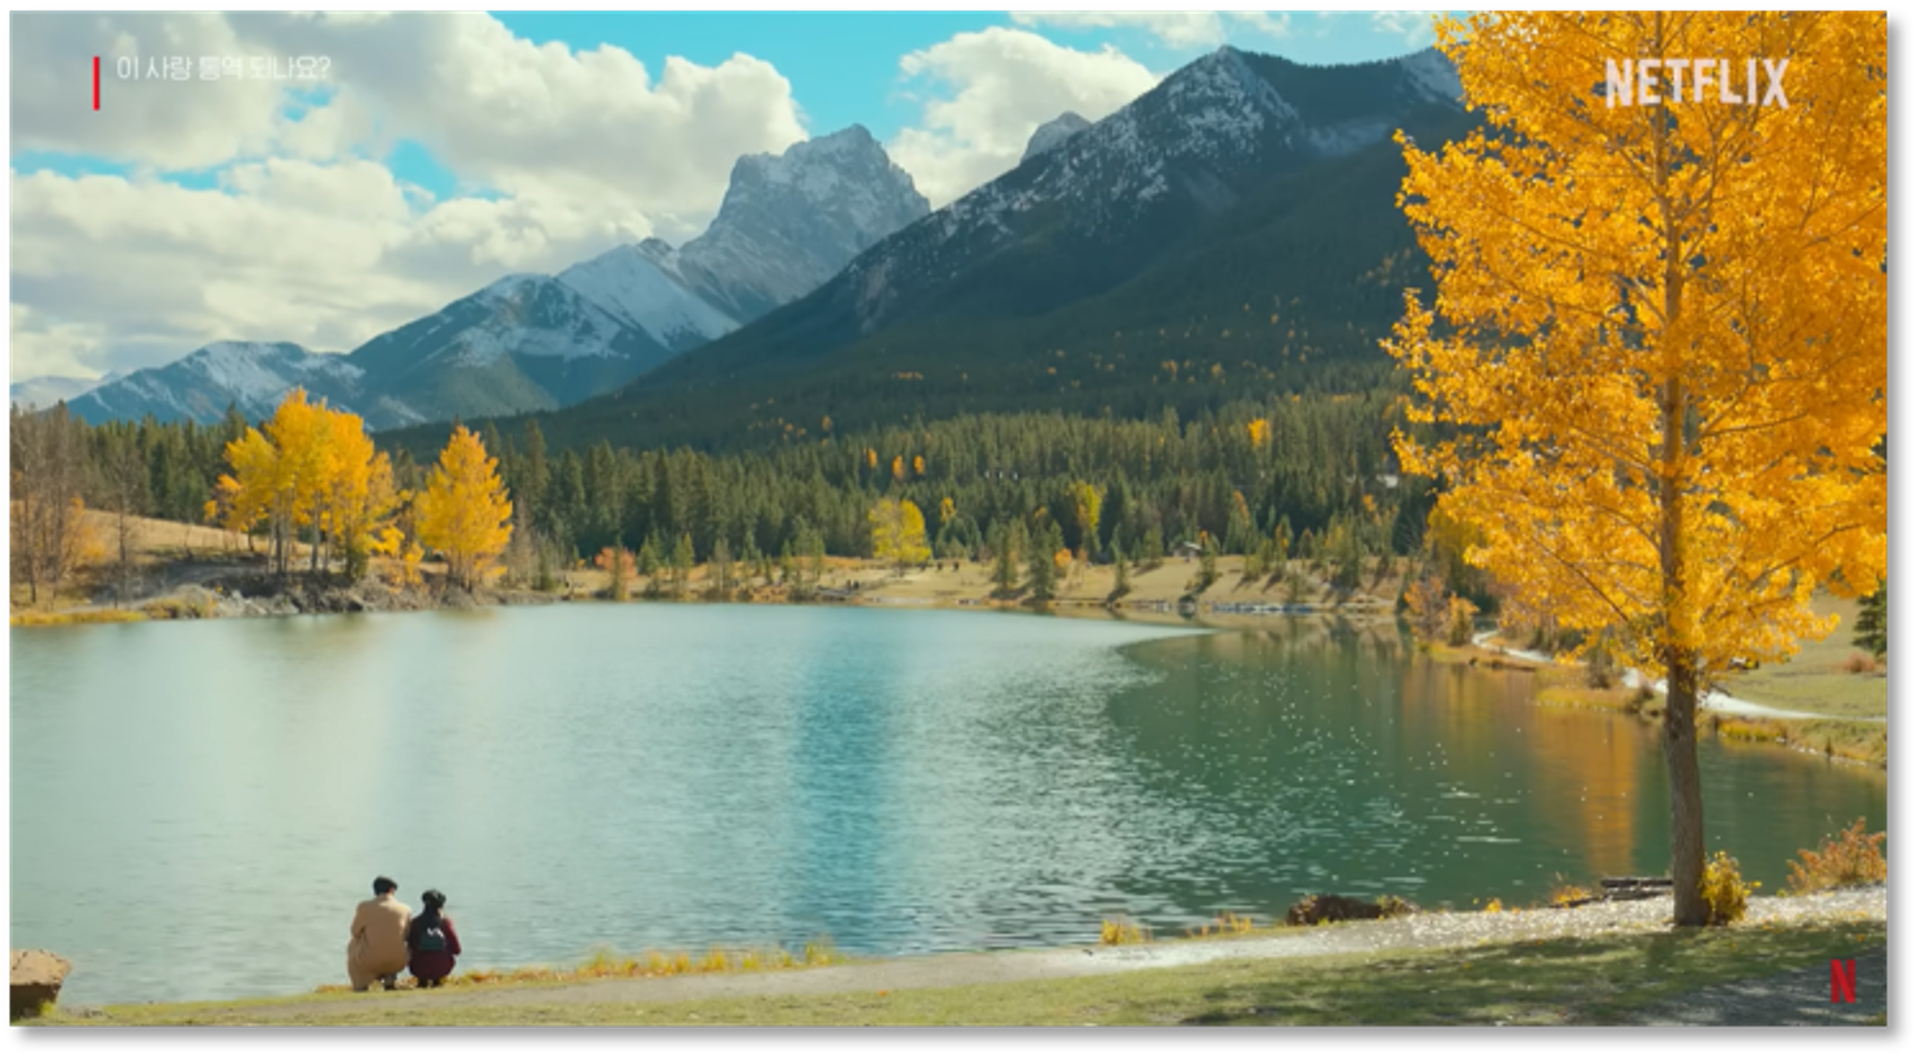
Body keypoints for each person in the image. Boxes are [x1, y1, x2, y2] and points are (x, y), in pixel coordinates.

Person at [347, 876, 412, 992]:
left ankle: (360, 985)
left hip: (370, 961)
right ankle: (390, 979)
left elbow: (354, 932)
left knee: (352, 945)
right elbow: (407, 934)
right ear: (392, 891)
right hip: (398, 961)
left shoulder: (364, 907)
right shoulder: (405, 909)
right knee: (394, 941)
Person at [407, 890, 463, 988]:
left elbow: (410, 945)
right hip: (442, 967)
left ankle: (422, 981)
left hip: (418, 967)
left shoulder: (415, 923)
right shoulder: (445, 923)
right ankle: (437, 981)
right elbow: (457, 950)